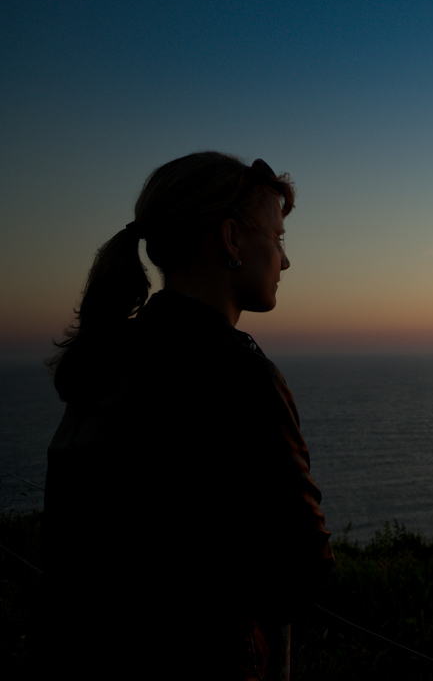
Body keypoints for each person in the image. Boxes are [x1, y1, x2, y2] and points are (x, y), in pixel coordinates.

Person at [43, 152, 334, 680]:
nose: (286, 262)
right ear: (231, 240)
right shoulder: (240, 376)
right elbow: (301, 574)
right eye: (278, 239)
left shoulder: (108, 356)